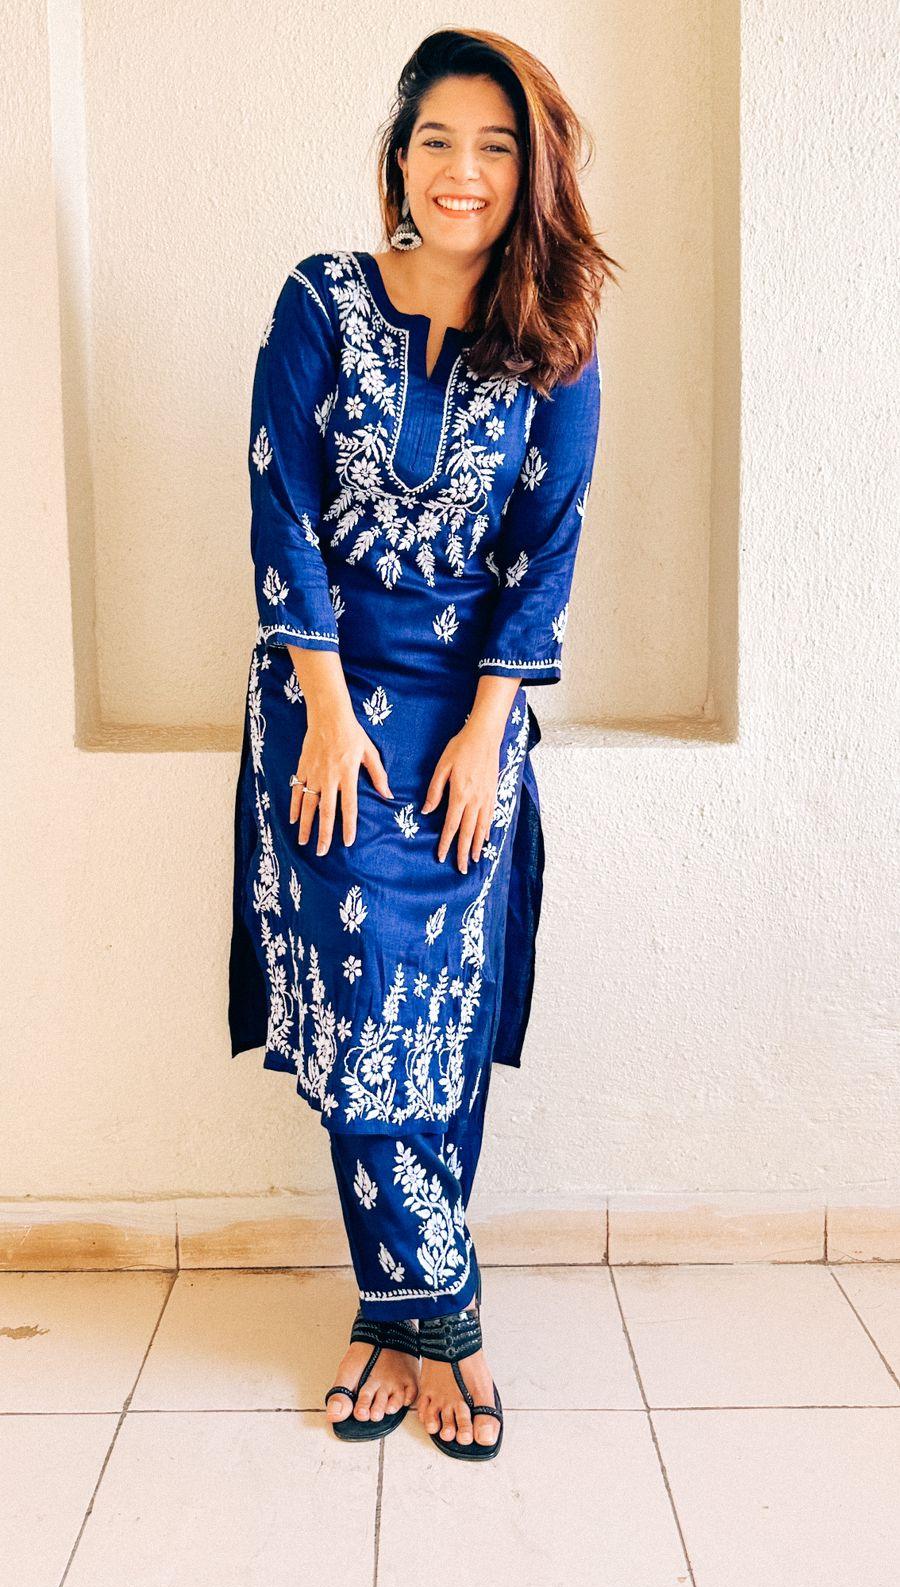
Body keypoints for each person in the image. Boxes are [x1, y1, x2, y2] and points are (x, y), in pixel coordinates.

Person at [228, 26, 617, 1461]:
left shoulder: (557, 333)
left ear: (532, 172)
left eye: (495, 146)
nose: (463, 171)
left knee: (434, 1024)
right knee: (360, 1008)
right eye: (437, 140)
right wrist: (327, 713)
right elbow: (282, 509)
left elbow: (546, 548)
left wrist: (487, 729)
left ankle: (382, 1320)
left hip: (472, 717)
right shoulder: (320, 302)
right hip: (324, 708)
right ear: (397, 160)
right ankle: (448, 1319)